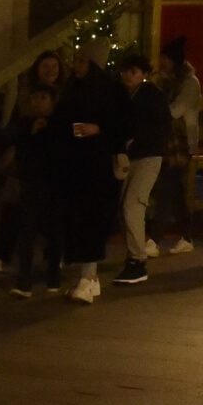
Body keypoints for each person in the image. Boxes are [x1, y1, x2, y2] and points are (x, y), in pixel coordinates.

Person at [56, 47, 127, 302]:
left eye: (81, 60)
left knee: (92, 220)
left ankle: (88, 277)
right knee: (79, 218)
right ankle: (88, 278)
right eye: (74, 60)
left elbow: (123, 125)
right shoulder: (72, 87)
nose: (76, 65)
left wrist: (99, 129)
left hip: (98, 166)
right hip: (75, 163)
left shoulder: (110, 90)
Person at [110, 50, 172, 286]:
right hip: (130, 157)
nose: (128, 75)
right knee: (126, 207)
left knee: (132, 205)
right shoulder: (123, 96)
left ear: (143, 74)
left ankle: (137, 260)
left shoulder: (152, 95)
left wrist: (136, 139)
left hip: (148, 156)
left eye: (133, 71)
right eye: (125, 71)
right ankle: (133, 257)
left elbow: (161, 126)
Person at [4, 80, 69, 296]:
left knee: (55, 231)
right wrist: (31, 133)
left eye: (43, 98)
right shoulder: (24, 124)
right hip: (31, 184)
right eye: (34, 98)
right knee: (27, 231)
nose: (38, 102)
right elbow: (20, 152)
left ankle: (54, 276)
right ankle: (24, 280)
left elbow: (64, 151)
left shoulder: (60, 124)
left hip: (55, 185)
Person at [151, 36, 203, 254]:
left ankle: (153, 239)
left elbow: (176, 110)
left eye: (166, 59)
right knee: (176, 192)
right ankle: (187, 237)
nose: (162, 63)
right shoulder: (163, 80)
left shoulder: (190, 83)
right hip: (164, 141)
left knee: (165, 188)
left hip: (181, 143)